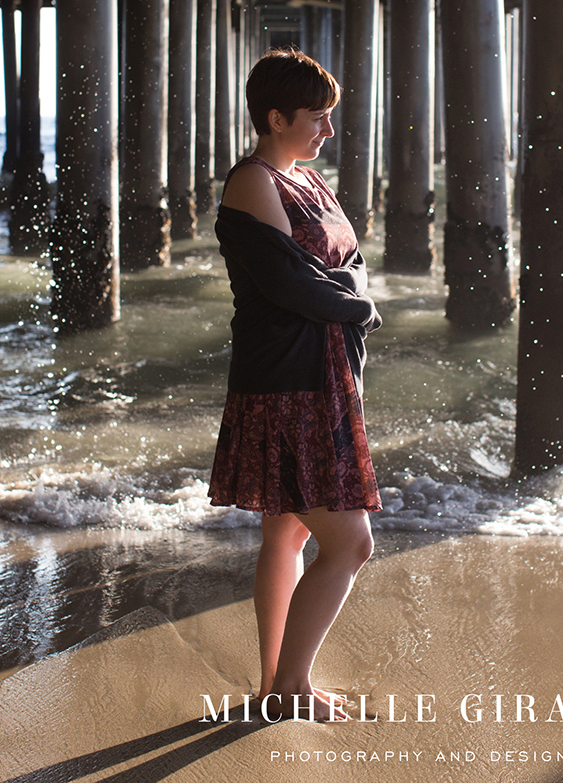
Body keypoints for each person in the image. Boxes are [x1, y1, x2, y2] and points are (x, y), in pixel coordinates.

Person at [209, 47, 382, 723]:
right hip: (286, 383)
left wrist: (342, 296)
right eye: (317, 118)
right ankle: (290, 686)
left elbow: (349, 268)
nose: (327, 132)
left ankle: (275, 682)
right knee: (351, 542)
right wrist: (357, 306)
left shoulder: (308, 182)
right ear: (275, 117)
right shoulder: (252, 181)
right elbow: (287, 285)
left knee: (287, 536)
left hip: (323, 375)